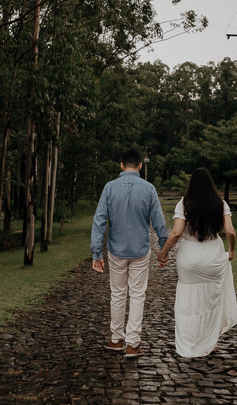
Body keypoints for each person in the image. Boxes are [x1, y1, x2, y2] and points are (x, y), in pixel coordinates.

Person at [90, 149, 169, 358]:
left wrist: (96, 252)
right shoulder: (149, 189)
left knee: (117, 294)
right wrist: (164, 247)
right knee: (137, 295)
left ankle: (116, 339)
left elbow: (99, 220)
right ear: (140, 166)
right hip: (140, 250)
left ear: (121, 165)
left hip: (116, 249)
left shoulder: (109, 188)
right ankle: (133, 343)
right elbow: (159, 221)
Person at [157, 168, 237, 357]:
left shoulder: (184, 203)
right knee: (211, 300)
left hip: (190, 258)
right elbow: (231, 232)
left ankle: (189, 341)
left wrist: (162, 253)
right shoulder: (221, 203)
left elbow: (177, 233)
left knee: (189, 300)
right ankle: (208, 342)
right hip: (213, 256)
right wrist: (232, 250)